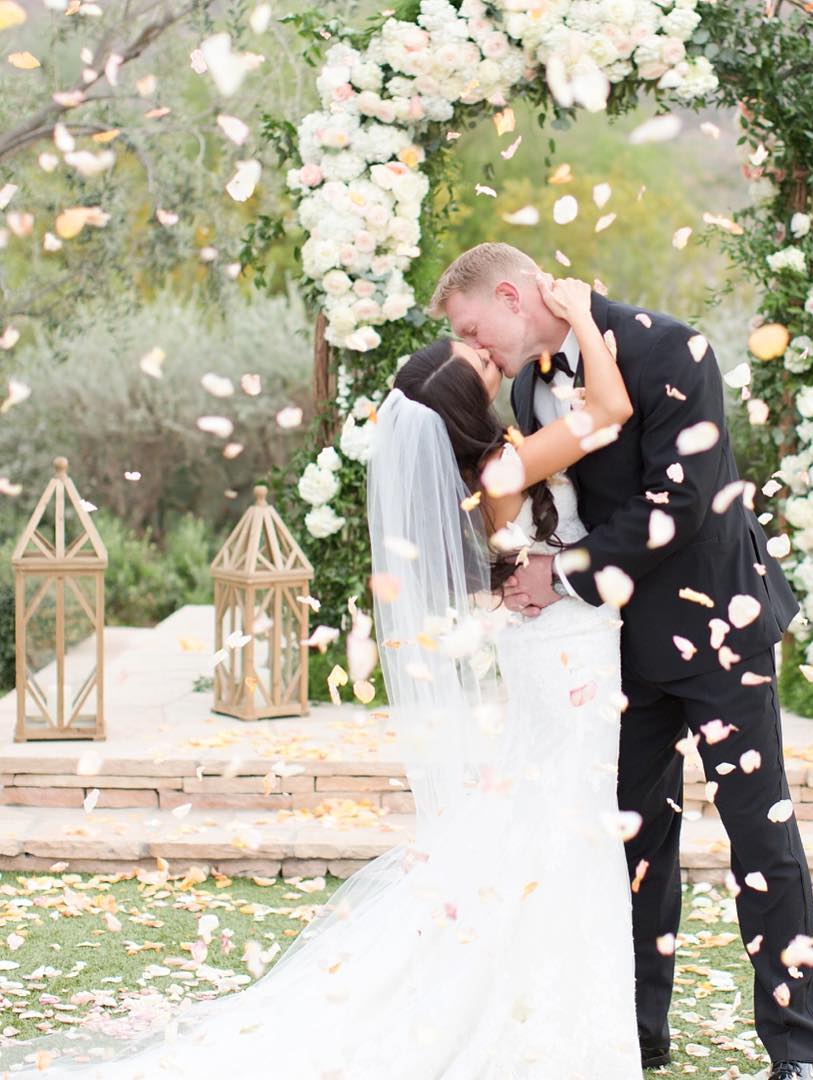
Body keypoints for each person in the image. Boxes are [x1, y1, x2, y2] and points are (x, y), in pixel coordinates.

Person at [1, 275, 647, 1079]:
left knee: (556, 821)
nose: (492, 358)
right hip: (562, 657)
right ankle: (557, 1027)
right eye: (482, 367)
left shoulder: (492, 473)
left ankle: (555, 1011)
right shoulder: (504, 473)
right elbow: (612, 411)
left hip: (555, 648)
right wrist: (584, 313)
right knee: (565, 822)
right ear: (465, 411)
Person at [432, 242, 813, 1080]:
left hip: (718, 628)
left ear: (509, 294)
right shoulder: (532, 388)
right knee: (633, 846)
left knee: (762, 835)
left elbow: (679, 504)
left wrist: (559, 576)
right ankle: (638, 1030)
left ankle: (796, 1051)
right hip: (614, 657)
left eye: (474, 328)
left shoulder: (670, 348)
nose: (479, 351)